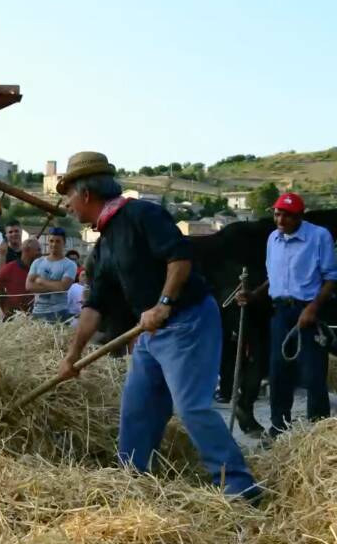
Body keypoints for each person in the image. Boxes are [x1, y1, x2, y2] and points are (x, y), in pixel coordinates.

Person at [54, 151, 259, 501]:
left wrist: (163, 304)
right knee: (138, 408)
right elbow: (94, 307)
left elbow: (179, 258)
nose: (68, 206)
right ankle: (131, 480)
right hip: (151, 333)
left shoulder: (141, 214)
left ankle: (240, 487)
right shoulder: (102, 248)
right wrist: (71, 357)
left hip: (187, 320)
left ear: (86, 193)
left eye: (68, 195)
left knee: (191, 406)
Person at [237, 192, 337, 436]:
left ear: (300, 216)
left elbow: (331, 278)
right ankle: (279, 427)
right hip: (281, 312)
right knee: (278, 371)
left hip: (308, 311)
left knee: (313, 373)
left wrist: (313, 308)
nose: (280, 220)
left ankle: (318, 432)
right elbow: (275, 278)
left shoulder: (319, 237)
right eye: (277, 214)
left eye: (287, 216)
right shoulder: (273, 239)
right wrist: (254, 295)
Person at [27, 227, 77, 323]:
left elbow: (63, 287)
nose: (54, 244)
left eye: (58, 241)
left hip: (60, 313)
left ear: (64, 243)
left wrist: (40, 281)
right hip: (38, 312)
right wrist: (55, 286)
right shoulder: (37, 262)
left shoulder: (70, 264)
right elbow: (29, 286)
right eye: (51, 241)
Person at [0, 238, 41, 317]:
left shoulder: (42, 269)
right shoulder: (8, 269)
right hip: (14, 317)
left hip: (36, 315)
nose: (40, 253)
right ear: (27, 251)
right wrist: (5, 311)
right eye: (38, 250)